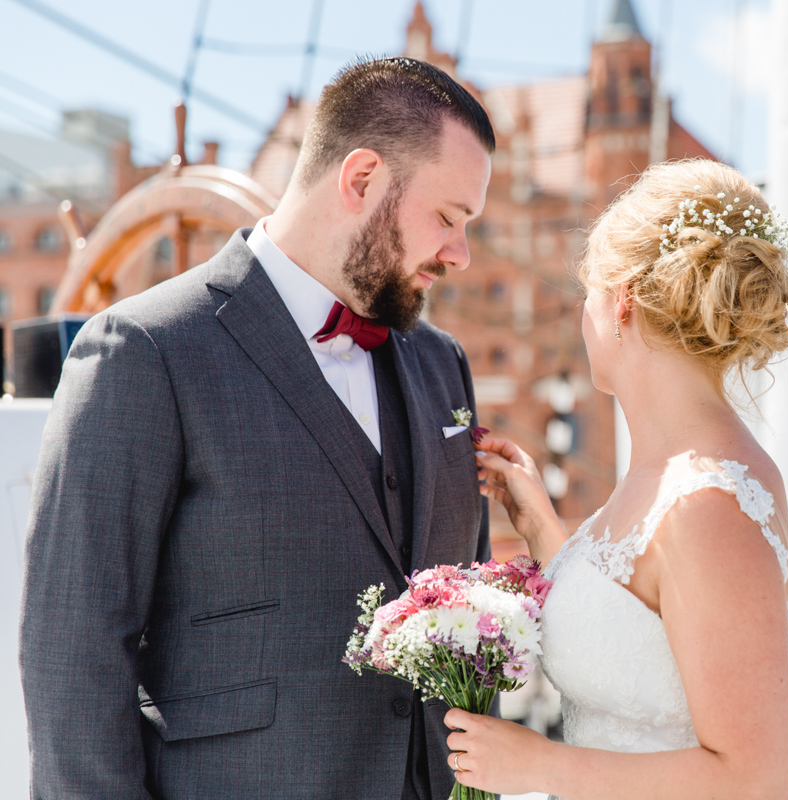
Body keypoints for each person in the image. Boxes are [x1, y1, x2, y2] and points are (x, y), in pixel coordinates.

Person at [20, 57, 494, 800]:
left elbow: (474, 623)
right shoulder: (145, 352)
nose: (460, 254)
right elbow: (72, 656)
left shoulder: (443, 365)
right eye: (448, 218)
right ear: (362, 178)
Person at [450, 159, 788, 799]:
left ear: (623, 302)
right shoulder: (666, 473)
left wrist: (537, 766)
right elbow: (636, 628)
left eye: (586, 295)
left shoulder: (710, 502)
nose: (581, 318)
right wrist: (540, 527)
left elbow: (757, 780)